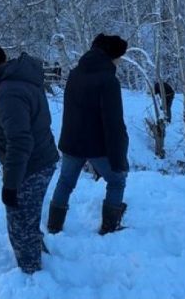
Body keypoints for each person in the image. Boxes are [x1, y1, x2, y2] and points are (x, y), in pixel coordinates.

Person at [0, 45, 58, 274]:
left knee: (20, 227)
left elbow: (20, 141)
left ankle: (32, 276)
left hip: (30, 167)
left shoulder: (8, 91)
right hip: (40, 160)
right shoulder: (21, 80)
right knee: (28, 218)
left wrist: (11, 184)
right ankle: (40, 260)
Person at [47, 34, 129, 236]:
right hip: (97, 145)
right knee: (117, 180)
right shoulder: (108, 80)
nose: (119, 61)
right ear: (112, 56)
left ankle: (54, 226)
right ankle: (110, 226)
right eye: (119, 57)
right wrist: (119, 156)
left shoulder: (75, 73)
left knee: (65, 182)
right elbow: (114, 122)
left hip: (71, 141)